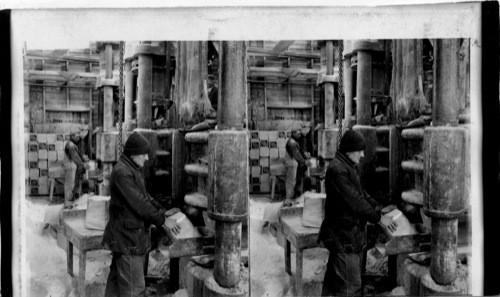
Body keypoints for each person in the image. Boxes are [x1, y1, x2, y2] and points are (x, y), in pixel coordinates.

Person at [318, 129, 398, 296]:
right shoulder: (337, 170)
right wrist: (379, 218)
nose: (362, 155)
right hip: (343, 237)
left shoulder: (347, 166)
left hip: (348, 235)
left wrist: (378, 207)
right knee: (351, 287)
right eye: (360, 150)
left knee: (334, 284)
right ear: (349, 150)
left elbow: (361, 193)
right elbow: (355, 201)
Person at [103, 132, 182, 297]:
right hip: (127, 239)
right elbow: (140, 203)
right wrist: (162, 221)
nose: (146, 158)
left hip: (125, 237)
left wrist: (162, 211)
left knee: (116, 286)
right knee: (134, 290)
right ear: (133, 154)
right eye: (144, 153)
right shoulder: (122, 173)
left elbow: (145, 197)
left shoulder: (131, 168)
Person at [284, 123, 311, 203]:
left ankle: (293, 199)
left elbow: (300, 152)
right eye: (298, 134)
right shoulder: (292, 142)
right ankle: (289, 199)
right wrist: (305, 162)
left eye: (300, 133)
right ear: (293, 133)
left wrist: (305, 155)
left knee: (293, 181)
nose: (299, 135)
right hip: (291, 164)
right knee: (291, 182)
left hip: (294, 163)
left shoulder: (295, 141)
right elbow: (297, 155)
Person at [63, 125, 89, 204]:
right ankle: (68, 202)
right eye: (77, 136)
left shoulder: (74, 143)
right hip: (70, 166)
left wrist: (84, 159)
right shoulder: (71, 145)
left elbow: (79, 154)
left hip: (73, 165)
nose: (78, 137)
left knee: (73, 184)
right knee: (70, 185)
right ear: (72, 136)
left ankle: (72, 200)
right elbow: (75, 158)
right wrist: (84, 164)